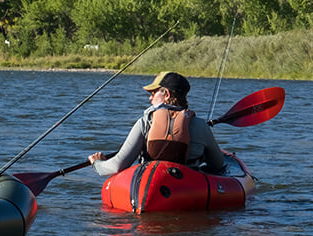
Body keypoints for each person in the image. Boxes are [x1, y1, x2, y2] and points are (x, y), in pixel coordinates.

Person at [89, 71, 226, 176]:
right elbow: (218, 165)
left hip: (151, 187)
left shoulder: (145, 122)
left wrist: (97, 163)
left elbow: (116, 166)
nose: (150, 97)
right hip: (188, 190)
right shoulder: (201, 126)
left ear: (166, 94)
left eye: (153, 93)